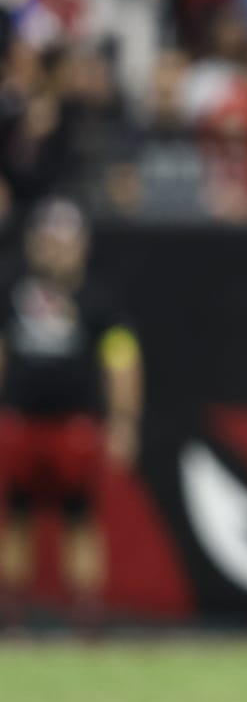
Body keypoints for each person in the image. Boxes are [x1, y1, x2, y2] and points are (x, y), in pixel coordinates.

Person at [0, 200, 141, 633]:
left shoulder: (97, 298)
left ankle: (86, 614)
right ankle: (11, 612)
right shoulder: (10, 289)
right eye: (47, 240)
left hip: (74, 425)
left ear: (80, 246)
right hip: (21, 420)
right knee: (16, 516)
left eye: (62, 241)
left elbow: (122, 360)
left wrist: (123, 420)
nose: (54, 249)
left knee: (80, 517)